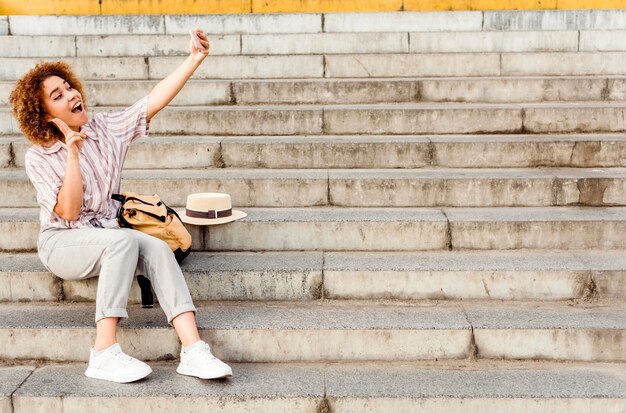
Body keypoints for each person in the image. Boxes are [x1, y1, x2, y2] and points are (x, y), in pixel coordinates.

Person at [9, 29, 232, 383]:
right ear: (43, 114)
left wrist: (193, 60)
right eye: (58, 95)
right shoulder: (39, 157)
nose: (71, 94)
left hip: (107, 235)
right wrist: (72, 151)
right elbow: (67, 212)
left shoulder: (105, 129)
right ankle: (103, 352)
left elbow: (152, 101)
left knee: (157, 248)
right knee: (125, 241)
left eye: (69, 87)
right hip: (63, 242)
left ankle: (193, 349)